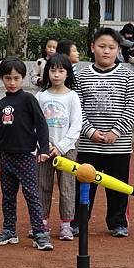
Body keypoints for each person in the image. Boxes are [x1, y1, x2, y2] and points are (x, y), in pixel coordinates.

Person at [72, 27, 134, 238]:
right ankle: (79, 221)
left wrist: (116, 131)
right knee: (84, 185)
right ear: (92, 47)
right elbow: (76, 108)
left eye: (111, 47)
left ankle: (118, 222)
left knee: (118, 187)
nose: (106, 51)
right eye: (102, 46)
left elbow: (133, 106)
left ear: (118, 49)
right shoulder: (80, 76)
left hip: (118, 146)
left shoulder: (128, 76)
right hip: (88, 144)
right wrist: (90, 131)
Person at [0, 57, 53, 250]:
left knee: (32, 194)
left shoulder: (29, 100)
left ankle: (40, 233)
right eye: (8, 78)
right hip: (6, 158)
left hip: (25, 157)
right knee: (8, 196)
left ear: (23, 78)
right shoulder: (0, 105)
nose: (12, 82)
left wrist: (43, 149)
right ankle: (9, 231)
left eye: (16, 78)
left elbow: (41, 125)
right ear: (2, 79)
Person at [35, 53, 82, 241]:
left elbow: (76, 125)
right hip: (44, 149)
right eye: (53, 71)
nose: (56, 75)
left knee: (67, 186)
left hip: (67, 150)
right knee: (42, 185)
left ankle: (66, 225)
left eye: (61, 71)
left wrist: (61, 147)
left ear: (67, 74)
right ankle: (42, 223)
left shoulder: (72, 97)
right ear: (47, 73)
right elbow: (35, 123)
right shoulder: (40, 96)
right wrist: (43, 144)